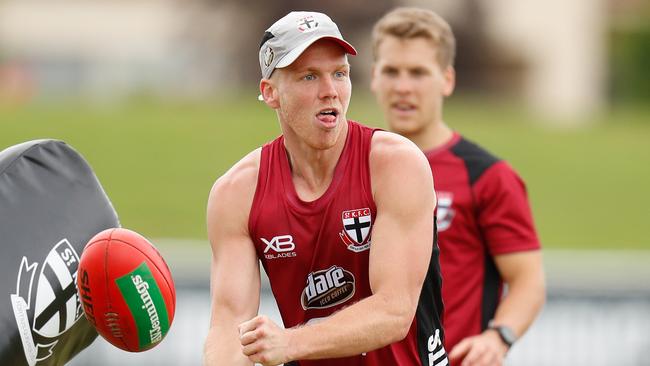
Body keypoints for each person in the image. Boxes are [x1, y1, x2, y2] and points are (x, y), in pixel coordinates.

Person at [203, 11, 449, 366]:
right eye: (309, 77)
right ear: (270, 93)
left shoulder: (396, 165)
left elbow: (394, 311)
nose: (330, 91)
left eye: (339, 74)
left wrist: (288, 344)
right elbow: (229, 325)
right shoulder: (236, 193)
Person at [370, 7, 546, 366]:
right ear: (374, 77)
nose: (403, 86)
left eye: (418, 73)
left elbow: (528, 281)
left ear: (447, 80)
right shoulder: (353, 164)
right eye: (391, 71)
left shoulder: (486, 175)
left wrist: (498, 337)